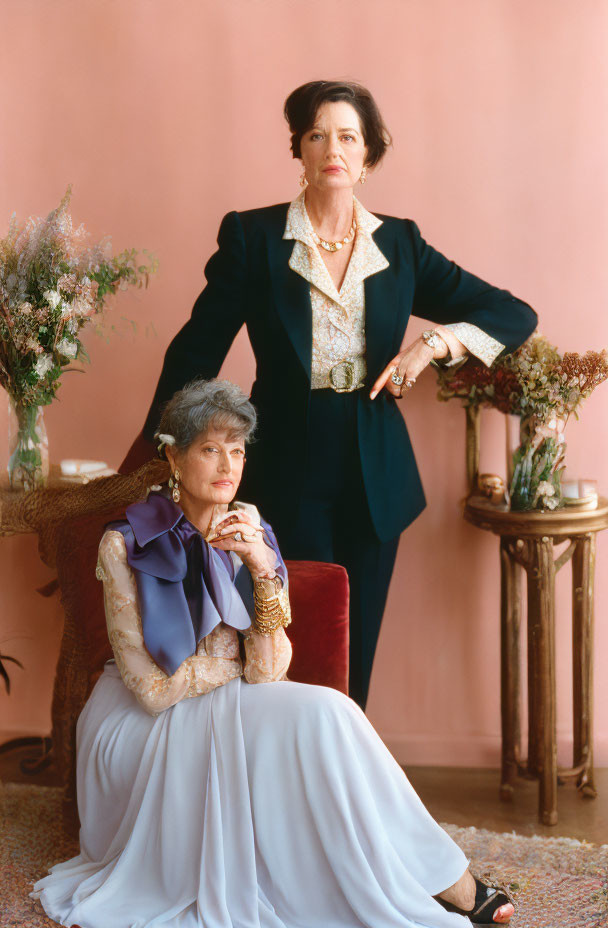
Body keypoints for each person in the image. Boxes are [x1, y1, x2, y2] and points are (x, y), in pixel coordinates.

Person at [33, 379, 516, 928]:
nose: (227, 465)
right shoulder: (125, 542)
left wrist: (262, 568)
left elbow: (269, 670)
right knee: (324, 716)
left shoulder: (250, 526)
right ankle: (443, 883)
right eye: (210, 449)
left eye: (237, 451)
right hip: (138, 721)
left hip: (228, 695)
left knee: (333, 716)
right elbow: (151, 689)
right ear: (173, 456)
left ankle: (418, 877)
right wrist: (235, 668)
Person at [121, 80, 538, 709]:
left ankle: (339, 787)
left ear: (368, 156)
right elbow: (196, 349)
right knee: (282, 634)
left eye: (348, 136)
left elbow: (512, 313)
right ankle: (281, 785)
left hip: (377, 465)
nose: (332, 148)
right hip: (286, 454)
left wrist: (431, 347)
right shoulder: (254, 238)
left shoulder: (400, 245)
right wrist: (158, 452)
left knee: (356, 641)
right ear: (299, 150)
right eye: (317, 134)